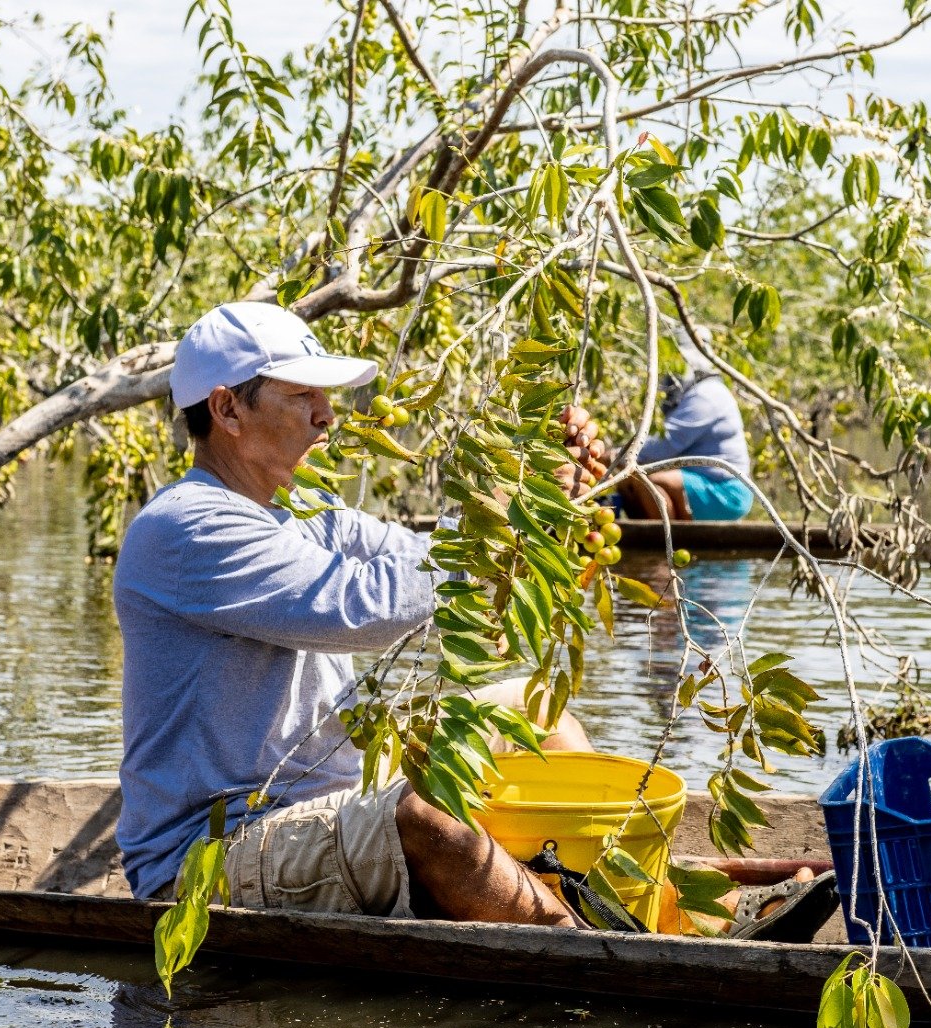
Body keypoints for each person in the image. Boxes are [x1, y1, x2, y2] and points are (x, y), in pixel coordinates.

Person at [112, 301, 607, 929]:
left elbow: (431, 565)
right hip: (210, 856)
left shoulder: (306, 511)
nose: (326, 414)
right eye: (301, 395)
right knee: (418, 817)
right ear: (227, 408)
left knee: (543, 715)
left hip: (328, 800)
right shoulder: (186, 526)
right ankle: (585, 944)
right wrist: (496, 524)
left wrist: (535, 492)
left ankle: (602, 896)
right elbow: (362, 607)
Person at [619, 329, 753, 522]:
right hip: (702, 482)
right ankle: (652, 542)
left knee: (645, 480)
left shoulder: (708, 395)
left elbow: (666, 445)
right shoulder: (691, 395)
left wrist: (616, 455)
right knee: (627, 482)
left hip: (726, 490)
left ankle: (671, 544)